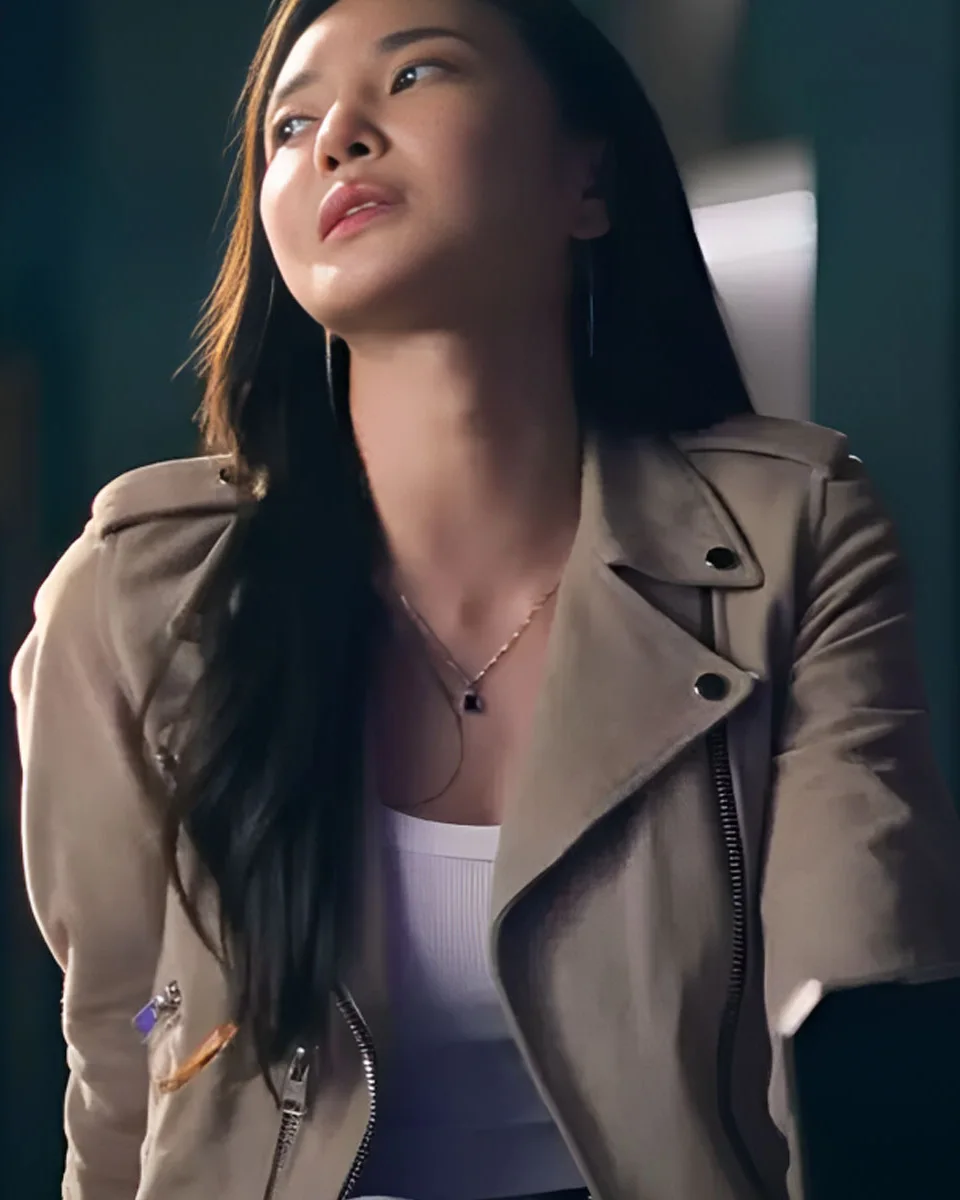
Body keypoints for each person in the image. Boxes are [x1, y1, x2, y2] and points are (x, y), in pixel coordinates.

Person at [11, 0, 960, 1197]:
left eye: (416, 74)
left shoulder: (789, 537)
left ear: (587, 182)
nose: (338, 135)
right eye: (291, 126)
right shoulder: (135, 599)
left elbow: (858, 997)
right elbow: (123, 1053)